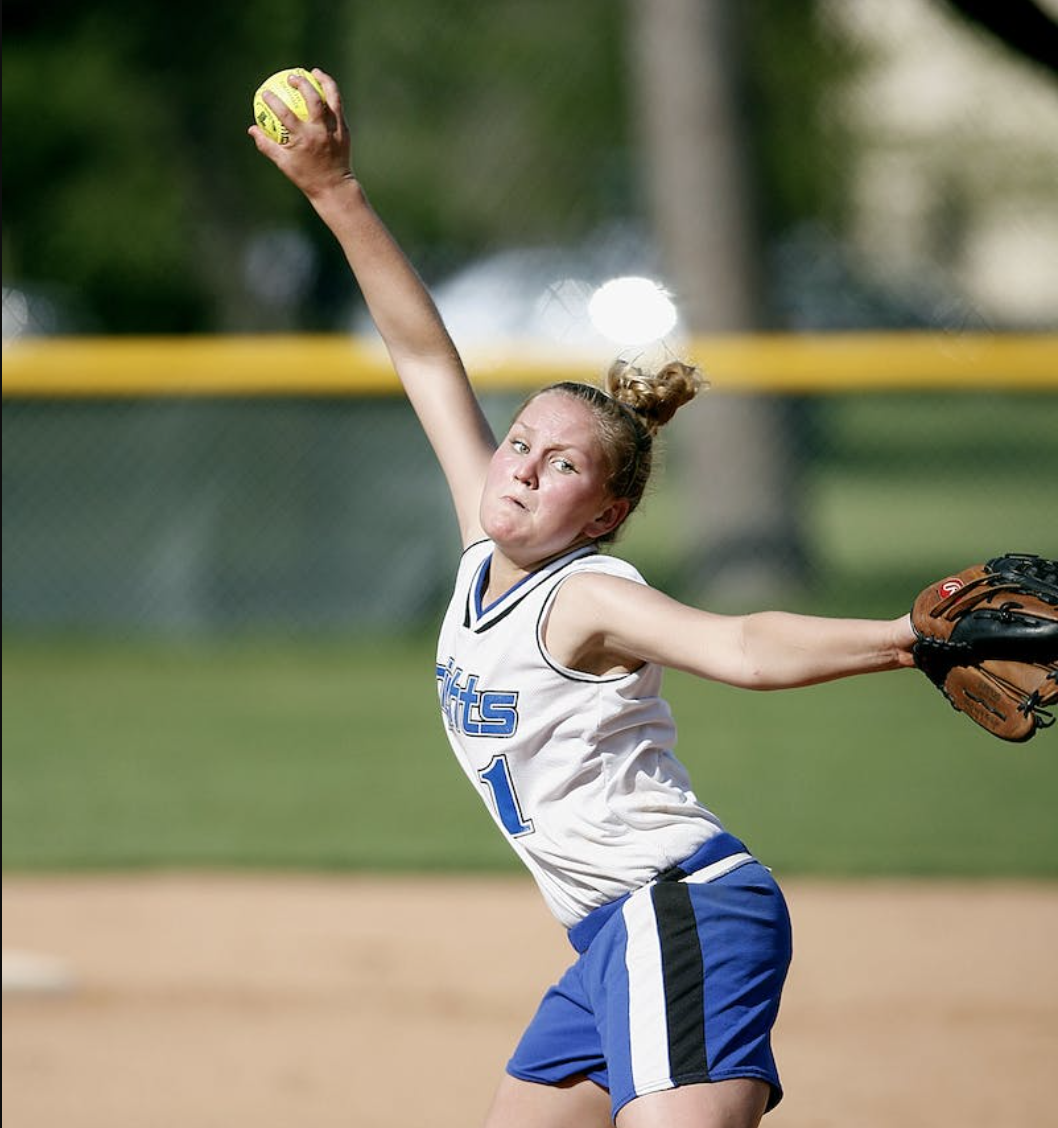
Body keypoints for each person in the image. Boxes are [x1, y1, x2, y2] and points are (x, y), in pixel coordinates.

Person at [250, 68, 918, 1128]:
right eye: (518, 442)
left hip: (680, 910)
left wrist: (904, 640)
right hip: (607, 938)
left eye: (561, 465)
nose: (519, 465)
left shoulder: (586, 596)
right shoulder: (481, 553)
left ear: (603, 515)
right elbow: (423, 354)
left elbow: (739, 646)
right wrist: (334, 193)